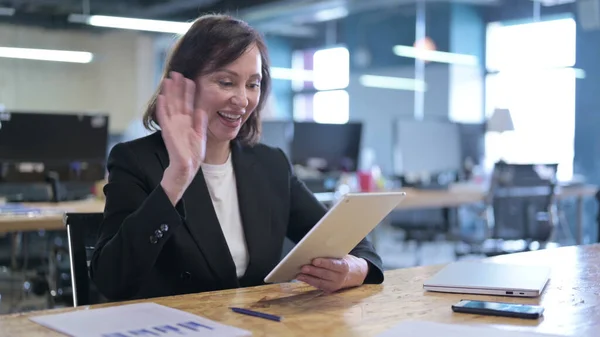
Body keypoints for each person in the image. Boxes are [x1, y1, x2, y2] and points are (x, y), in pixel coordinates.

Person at [90, 13, 384, 302]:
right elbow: (112, 281)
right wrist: (177, 177)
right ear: (184, 85)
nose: (243, 100)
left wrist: (353, 269)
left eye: (252, 84)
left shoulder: (270, 165)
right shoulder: (136, 161)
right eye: (226, 82)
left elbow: (352, 242)